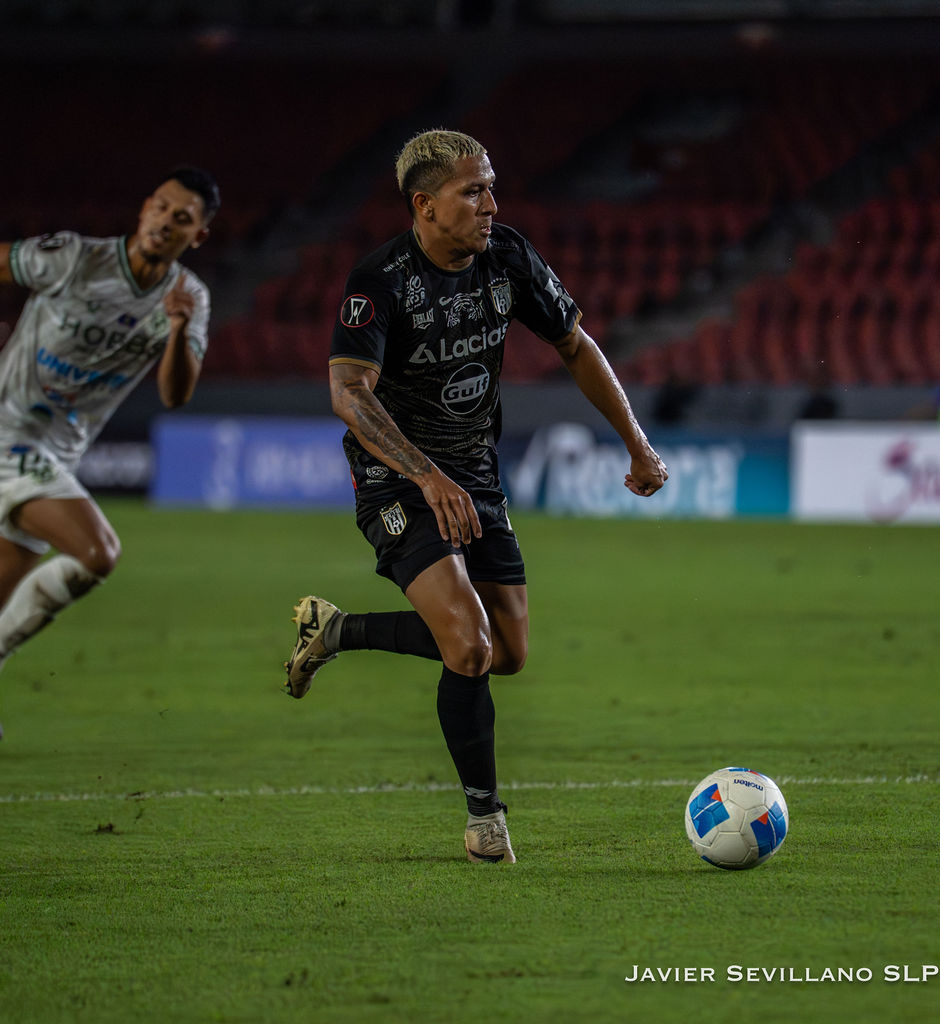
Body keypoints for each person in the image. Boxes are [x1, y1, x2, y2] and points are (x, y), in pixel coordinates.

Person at [284, 129, 668, 863]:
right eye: (473, 191)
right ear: (425, 205)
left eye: (491, 188)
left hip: (477, 474)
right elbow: (349, 393)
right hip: (398, 477)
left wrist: (636, 442)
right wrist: (427, 476)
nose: (492, 204)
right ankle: (485, 819)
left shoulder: (507, 256)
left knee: (507, 653)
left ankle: (336, 632)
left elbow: (575, 345)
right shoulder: (380, 281)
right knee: (467, 645)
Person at [0, 167, 220, 737]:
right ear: (144, 207)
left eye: (182, 218)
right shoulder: (75, 258)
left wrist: (177, 329)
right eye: (161, 207)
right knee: (98, 552)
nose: (165, 222)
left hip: (59, 453)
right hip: (10, 431)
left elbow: (175, 394)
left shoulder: (188, 297)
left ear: (197, 235)